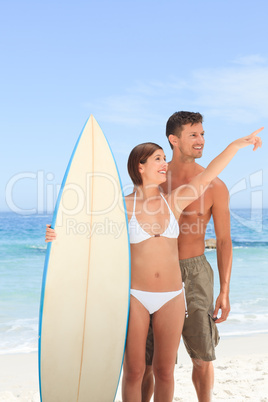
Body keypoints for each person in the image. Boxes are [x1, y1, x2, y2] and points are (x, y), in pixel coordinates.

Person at [45, 127, 263, 402]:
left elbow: (209, 175)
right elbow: (85, 234)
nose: (164, 164)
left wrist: (235, 145)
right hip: (136, 296)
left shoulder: (174, 201)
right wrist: (56, 234)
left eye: (164, 157)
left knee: (164, 371)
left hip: (172, 296)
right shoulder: (120, 207)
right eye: (158, 159)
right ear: (141, 166)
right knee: (135, 370)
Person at [141, 112, 261, 402]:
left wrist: (225, 290)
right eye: (193, 135)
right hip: (155, 273)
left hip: (195, 274)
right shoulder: (152, 180)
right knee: (149, 360)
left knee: (203, 356)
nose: (201, 140)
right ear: (173, 139)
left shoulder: (215, 186)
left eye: (203, 134)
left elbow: (223, 241)